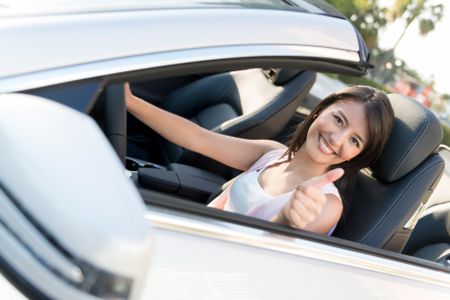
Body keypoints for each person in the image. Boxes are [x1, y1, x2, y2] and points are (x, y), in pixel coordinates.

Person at [125, 82, 394, 235]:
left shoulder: (326, 203)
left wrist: (287, 219)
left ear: (358, 154)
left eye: (355, 141)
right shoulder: (272, 154)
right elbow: (199, 138)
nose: (337, 139)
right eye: (338, 119)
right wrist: (131, 101)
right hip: (193, 236)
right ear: (318, 112)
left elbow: (268, 246)